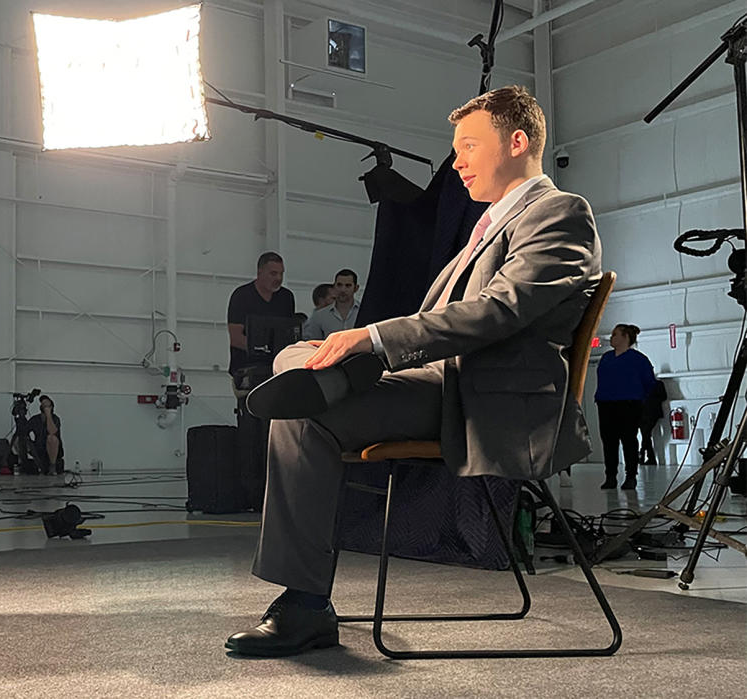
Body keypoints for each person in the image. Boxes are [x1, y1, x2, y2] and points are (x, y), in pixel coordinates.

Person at [226, 86, 601, 657]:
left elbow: (497, 312)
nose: (458, 162)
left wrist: (374, 337)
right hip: (440, 383)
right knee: (297, 358)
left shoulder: (560, 213)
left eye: (470, 146)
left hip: (479, 397)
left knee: (301, 409)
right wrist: (360, 344)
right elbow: (443, 322)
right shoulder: (487, 228)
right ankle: (324, 372)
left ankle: (304, 602)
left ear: (518, 142)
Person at [594, 324, 656, 489]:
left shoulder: (638, 359)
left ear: (625, 337)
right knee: (609, 442)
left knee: (629, 440)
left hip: (629, 404)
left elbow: (650, 382)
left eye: (615, 334)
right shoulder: (606, 358)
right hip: (606, 404)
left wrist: (639, 397)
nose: (612, 338)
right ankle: (611, 476)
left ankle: (631, 476)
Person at [227, 252, 296, 396]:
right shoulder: (241, 296)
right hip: (247, 370)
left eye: (281, 274)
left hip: (277, 369)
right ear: (260, 272)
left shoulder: (286, 297)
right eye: (273, 273)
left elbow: (288, 332)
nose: (278, 278)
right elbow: (235, 337)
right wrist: (263, 349)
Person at [302, 269, 361, 339]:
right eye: (339, 285)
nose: (343, 289)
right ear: (334, 286)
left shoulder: (365, 313)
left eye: (348, 286)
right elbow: (311, 344)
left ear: (356, 288)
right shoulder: (319, 316)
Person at [26, 395, 65, 475]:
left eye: (47, 405)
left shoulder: (55, 418)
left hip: (52, 449)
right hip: (38, 447)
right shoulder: (35, 419)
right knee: (19, 440)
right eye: (43, 405)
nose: (45, 407)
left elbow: (52, 431)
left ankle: (52, 466)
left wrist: (48, 415)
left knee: (52, 438)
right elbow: (24, 432)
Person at [639, 378, 668, 466]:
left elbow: (663, 397)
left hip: (648, 413)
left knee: (646, 434)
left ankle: (643, 453)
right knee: (646, 435)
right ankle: (649, 457)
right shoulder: (656, 384)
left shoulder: (656, 384)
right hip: (645, 413)